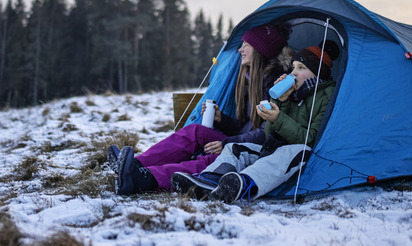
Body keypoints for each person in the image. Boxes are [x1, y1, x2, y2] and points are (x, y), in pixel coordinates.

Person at [110, 23, 294, 195]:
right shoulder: (249, 79)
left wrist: (227, 143)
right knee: (195, 131)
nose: (240, 49)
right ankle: (134, 164)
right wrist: (221, 120)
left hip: (257, 151)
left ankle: (144, 179)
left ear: (260, 50)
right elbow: (246, 125)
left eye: (246, 45)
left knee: (212, 160)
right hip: (239, 141)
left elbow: (266, 133)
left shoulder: (277, 86)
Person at [171, 40, 340, 204]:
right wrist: (282, 102)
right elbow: (270, 136)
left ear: (318, 73)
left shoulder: (326, 97)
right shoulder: (294, 94)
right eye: (293, 67)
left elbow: (310, 139)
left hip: (300, 157)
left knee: (297, 150)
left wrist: (278, 118)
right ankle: (209, 180)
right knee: (233, 148)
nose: (293, 72)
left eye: (301, 68)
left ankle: (244, 184)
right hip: (275, 150)